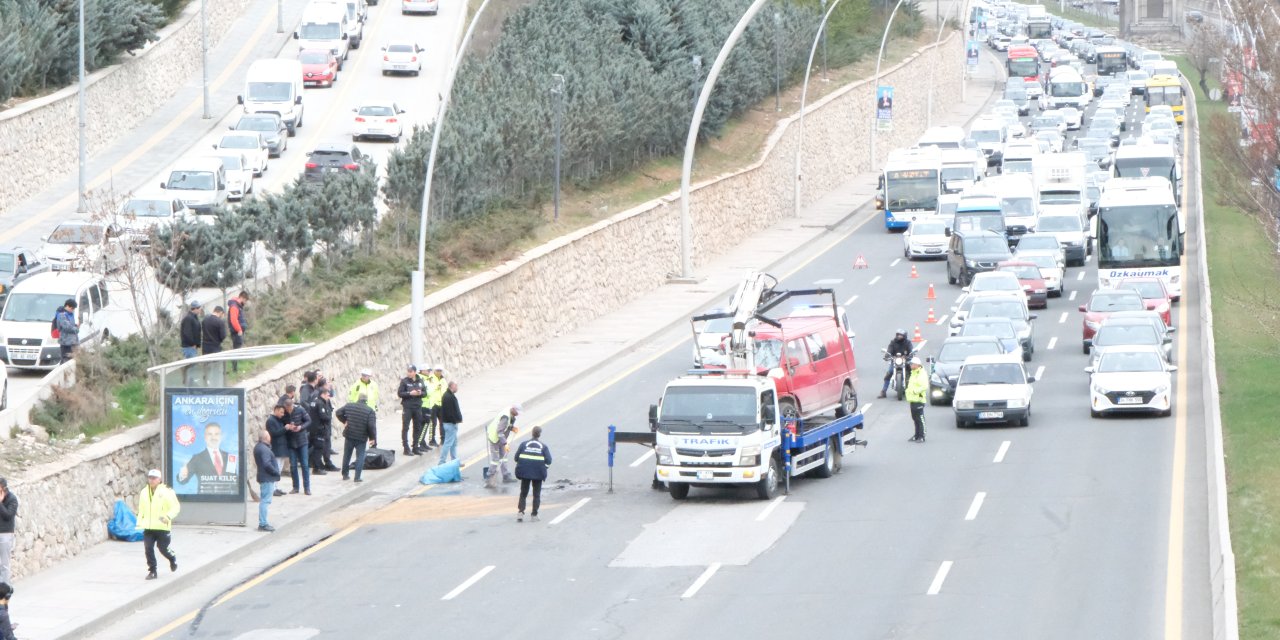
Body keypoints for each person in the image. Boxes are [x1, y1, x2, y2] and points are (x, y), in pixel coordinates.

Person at [136, 469, 179, 580]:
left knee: (163, 548)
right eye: (150, 477)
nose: (151, 480)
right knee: (148, 548)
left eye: (154, 478)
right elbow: (141, 509)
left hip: (162, 527)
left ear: (159, 480)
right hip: (149, 527)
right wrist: (140, 522)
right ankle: (152, 571)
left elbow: (176, 507)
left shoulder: (167, 492)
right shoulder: (144, 492)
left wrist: (168, 517)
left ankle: (172, 558)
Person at [177, 422, 235, 490]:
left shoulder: (230, 458)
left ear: (220, 437)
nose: (213, 437)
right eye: (210, 434)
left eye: (216, 434)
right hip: (203, 500)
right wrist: (182, 474)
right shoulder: (197, 458)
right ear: (205, 437)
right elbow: (182, 481)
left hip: (227, 500)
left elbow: (234, 482)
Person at [514, 426, 552, 523]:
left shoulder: (523, 444)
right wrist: (544, 468)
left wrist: (524, 465)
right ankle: (534, 515)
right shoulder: (543, 446)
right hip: (538, 474)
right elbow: (549, 460)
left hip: (525, 473)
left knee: (523, 493)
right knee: (536, 494)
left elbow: (516, 458)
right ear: (539, 434)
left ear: (532, 433)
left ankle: (520, 513)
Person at [336, 394, 377, 483]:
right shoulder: (370, 410)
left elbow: (338, 412)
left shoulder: (349, 406)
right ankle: (357, 477)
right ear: (366, 401)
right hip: (361, 437)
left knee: (347, 455)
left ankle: (345, 475)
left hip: (349, 434)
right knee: (360, 456)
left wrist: (345, 420)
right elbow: (371, 426)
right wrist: (372, 438)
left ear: (358, 399)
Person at [282, 396, 312, 495]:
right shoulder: (284, 413)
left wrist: (301, 427)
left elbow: (308, 421)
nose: (288, 410)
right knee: (293, 465)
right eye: (287, 409)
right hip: (291, 441)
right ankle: (295, 487)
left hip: (302, 440)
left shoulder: (300, 409)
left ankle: (307, 488)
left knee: (304, 464)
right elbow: (282, 424)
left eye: (290, 408)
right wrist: (287, 427)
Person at [484, 405, 520, 488]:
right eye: (517, 412)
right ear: (514, 409)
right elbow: (499, 432)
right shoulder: (505, 417)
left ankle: (506, 476)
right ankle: (489, 478)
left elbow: (506, 426)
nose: (518, 414)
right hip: (495, 439)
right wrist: (505, 444)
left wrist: (512, 428)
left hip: (501, 438)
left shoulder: (510, 413)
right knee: (495, 460)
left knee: (504, 457)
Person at [254, 429, 280, 532]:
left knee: (264, 500)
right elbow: (266, 464)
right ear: (266, 437)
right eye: (268, 435)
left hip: (263, 477)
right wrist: (275, 472)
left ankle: (263, 522)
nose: (270, 437)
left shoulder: (259, 447)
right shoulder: (264, 449)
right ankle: (263, 524)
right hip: (267, 478)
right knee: (265, 500)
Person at [307, 385, 338, 474]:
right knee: (318, 449)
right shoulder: (320, 403)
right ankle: (316, 468)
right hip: (319, 429)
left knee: (314, 448)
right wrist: (329, 416)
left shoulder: (314, 402)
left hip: (313, 429)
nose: (328, 397)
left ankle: (317, 465)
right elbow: (324, 416)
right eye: (327, 395)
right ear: (323, 395)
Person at [397, 365, 426, 456]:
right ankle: (406, 448)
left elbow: (425, 393)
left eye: (410, 371)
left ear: (415, 372)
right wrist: (410, 393)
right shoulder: (404, 381)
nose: (409, 373)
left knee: (417, 427)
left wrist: (421, 393)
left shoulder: (420, 381)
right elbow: (400, 393)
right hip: (408, 407)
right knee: (406, 427)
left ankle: (415, 447)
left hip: (417, 407)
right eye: (408, 371)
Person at [879, 329, 915, 398]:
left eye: (901, 335)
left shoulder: (908, 343)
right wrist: (887, 355)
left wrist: (910, 355)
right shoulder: (893, 342)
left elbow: (911, 350)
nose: (899, 336)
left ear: (904, 336)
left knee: (912, 373)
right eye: (898, 335)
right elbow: (889, 350)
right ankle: (883, 391)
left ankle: (913, 390)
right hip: (895, 361)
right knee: (889, 373)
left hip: (905, 361)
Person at [265, 404, 291, 497]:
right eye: (281, 412)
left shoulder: (279, 420)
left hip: (282, 448)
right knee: (276, 468)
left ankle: (276, 487)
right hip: (276, 448)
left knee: (279, 469)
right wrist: (285, 428)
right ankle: (273, 488)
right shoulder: (270, 421)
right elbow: (274, 433)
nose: (282, 414)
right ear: (275, 410)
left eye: (283, 412)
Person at [437, 381, 462, 465]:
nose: (457, 388)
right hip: (450, 424)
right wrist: (455, 420)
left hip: (451, 423)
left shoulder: (449, 395)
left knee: (453, 443)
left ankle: (454, 461)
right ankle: (442, 461)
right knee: (448, 443)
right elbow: (449, 412)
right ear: (452, 386)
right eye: (456, 386)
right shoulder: (448, 397)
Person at [906, 356, 928, 443]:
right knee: (915, 418)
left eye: (912, 364)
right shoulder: (914, 373)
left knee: (920, 418)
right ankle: (916, 435)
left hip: (918, 399)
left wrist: (915, 391)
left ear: (917, 365)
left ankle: (922, 436)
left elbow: (924, 386)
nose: (910, 365)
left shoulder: (921, 374)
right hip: (912, 399)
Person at [424, 365, 447, 448]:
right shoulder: (430, 379)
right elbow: (429, 390)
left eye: (440, 371)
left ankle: (443, 439)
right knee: (432, 423)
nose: (439, 372)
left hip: (442, 404)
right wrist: (437, 387)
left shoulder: (443, 380)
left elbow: (446, 391)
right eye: (437, 370)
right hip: (433, 404)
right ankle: (431, 440)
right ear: (434, 371)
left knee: (442, 423)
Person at [228, 291, 249, 371]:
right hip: (237, 332)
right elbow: (234, 320)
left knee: (238, 348)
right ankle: (234, 368)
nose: (245, 302)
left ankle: (235, 367)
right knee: (236, 349)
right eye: (245, 300)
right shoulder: (234, 306)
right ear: (242, 298)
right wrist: (239, 330)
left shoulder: (238, 306)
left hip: (238, 331)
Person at [55, 299, 78, 364]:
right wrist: (76, 329)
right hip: (65, 342)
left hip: (72, 341)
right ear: (67, 306)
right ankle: (63, 374)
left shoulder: (70, 314)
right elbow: (67, 327)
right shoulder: (62, 314)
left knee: (71, 361)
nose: (73, 310)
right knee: (65, 361)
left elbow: (71, 325)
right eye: (72, 308)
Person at [0, 479, 14, 585]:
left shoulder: (12, 499)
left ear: (4, 488)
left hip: (5, 534)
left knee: (4, 563)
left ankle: (5, 587)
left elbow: (8, 515)